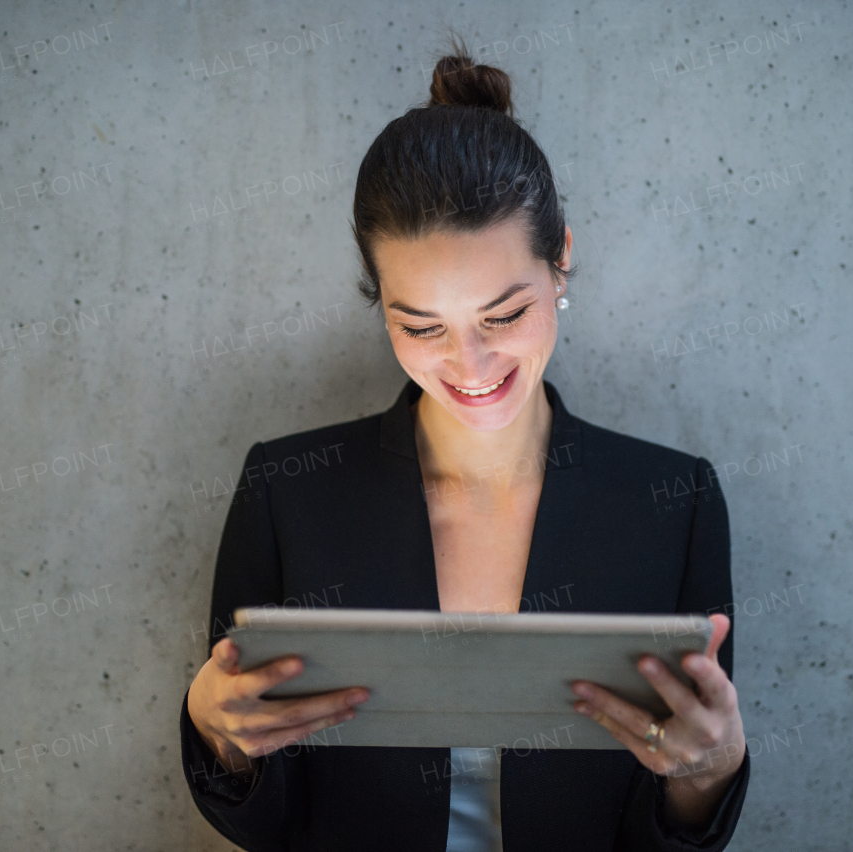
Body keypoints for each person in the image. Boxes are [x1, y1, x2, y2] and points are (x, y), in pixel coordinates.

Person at [181, 43, 750, 852]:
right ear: (380, 306)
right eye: (421, 326)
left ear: (561, 265)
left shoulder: (672, 502)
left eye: (504, 315)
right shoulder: (288, 492)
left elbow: (671, 828)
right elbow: (268, 821)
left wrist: (710, 771)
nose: (471, 367)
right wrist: (217, 736)